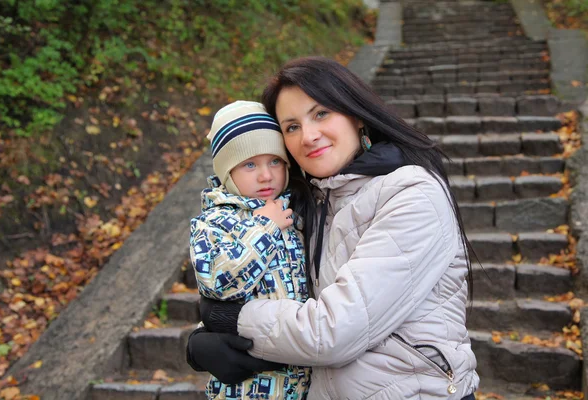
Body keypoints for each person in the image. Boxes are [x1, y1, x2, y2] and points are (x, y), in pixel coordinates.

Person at [188, 57, 480, 399]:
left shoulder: (412, 194)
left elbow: (335, 332)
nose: (308, 136)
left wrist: (230, 321)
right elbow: (274, 290)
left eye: (321, 113)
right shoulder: (312, 202)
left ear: (355, 115)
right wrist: (203, 338)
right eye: (291, 126)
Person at [187, 101, 311, 399]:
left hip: (303, 378)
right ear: (227, 171)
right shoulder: (212, 223)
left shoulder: (297, 211)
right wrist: (265, 227)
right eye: (250, 164)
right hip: (247, 386)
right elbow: (219, 282)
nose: (266, 175)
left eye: (275, 161)